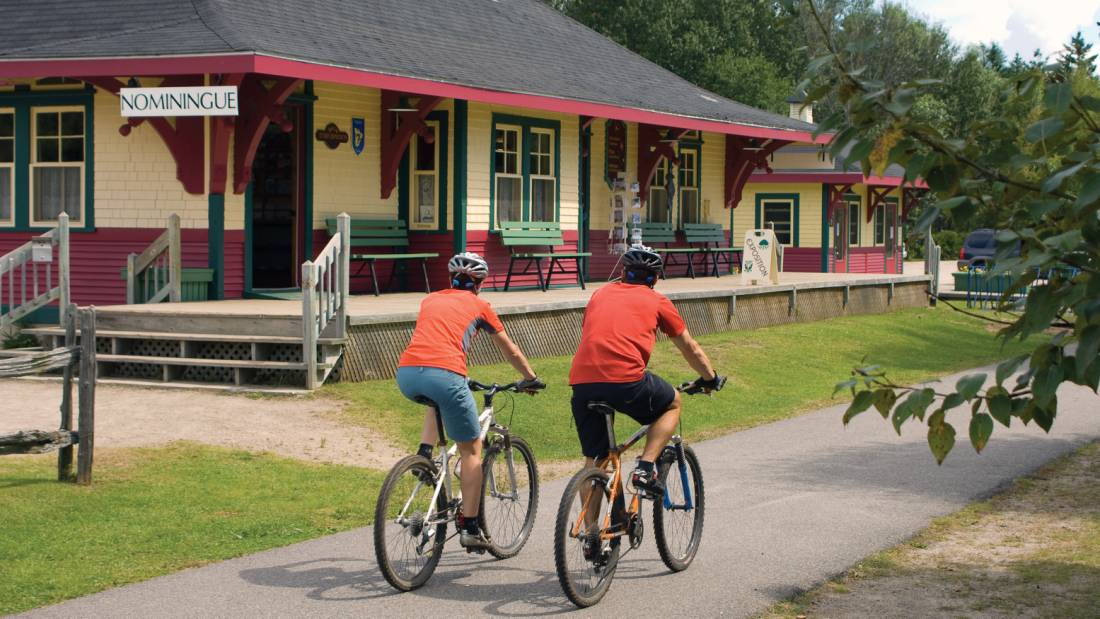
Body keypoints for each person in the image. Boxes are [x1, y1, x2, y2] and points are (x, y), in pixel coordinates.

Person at [396, 252, 545, 551]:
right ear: (479, 284)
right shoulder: (480, 306)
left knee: (435, 399)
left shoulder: (431, 299)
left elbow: (435, 340)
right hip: (446, 375)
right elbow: (510, 350)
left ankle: (424, 456)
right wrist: (529, 377)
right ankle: (471, 527)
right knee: (471, 451)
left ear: (451, 279)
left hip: (407, 373)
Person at [569, 246, 724, 497]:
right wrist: (710, 378)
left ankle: (591, 533)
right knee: (672, 402)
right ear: (656, 278)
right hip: (626, 380)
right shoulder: (658, 301)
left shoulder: (599, 294)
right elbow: (690, 348)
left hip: (582, 383)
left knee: (595, 461)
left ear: (623, 271)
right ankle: (644, 468)